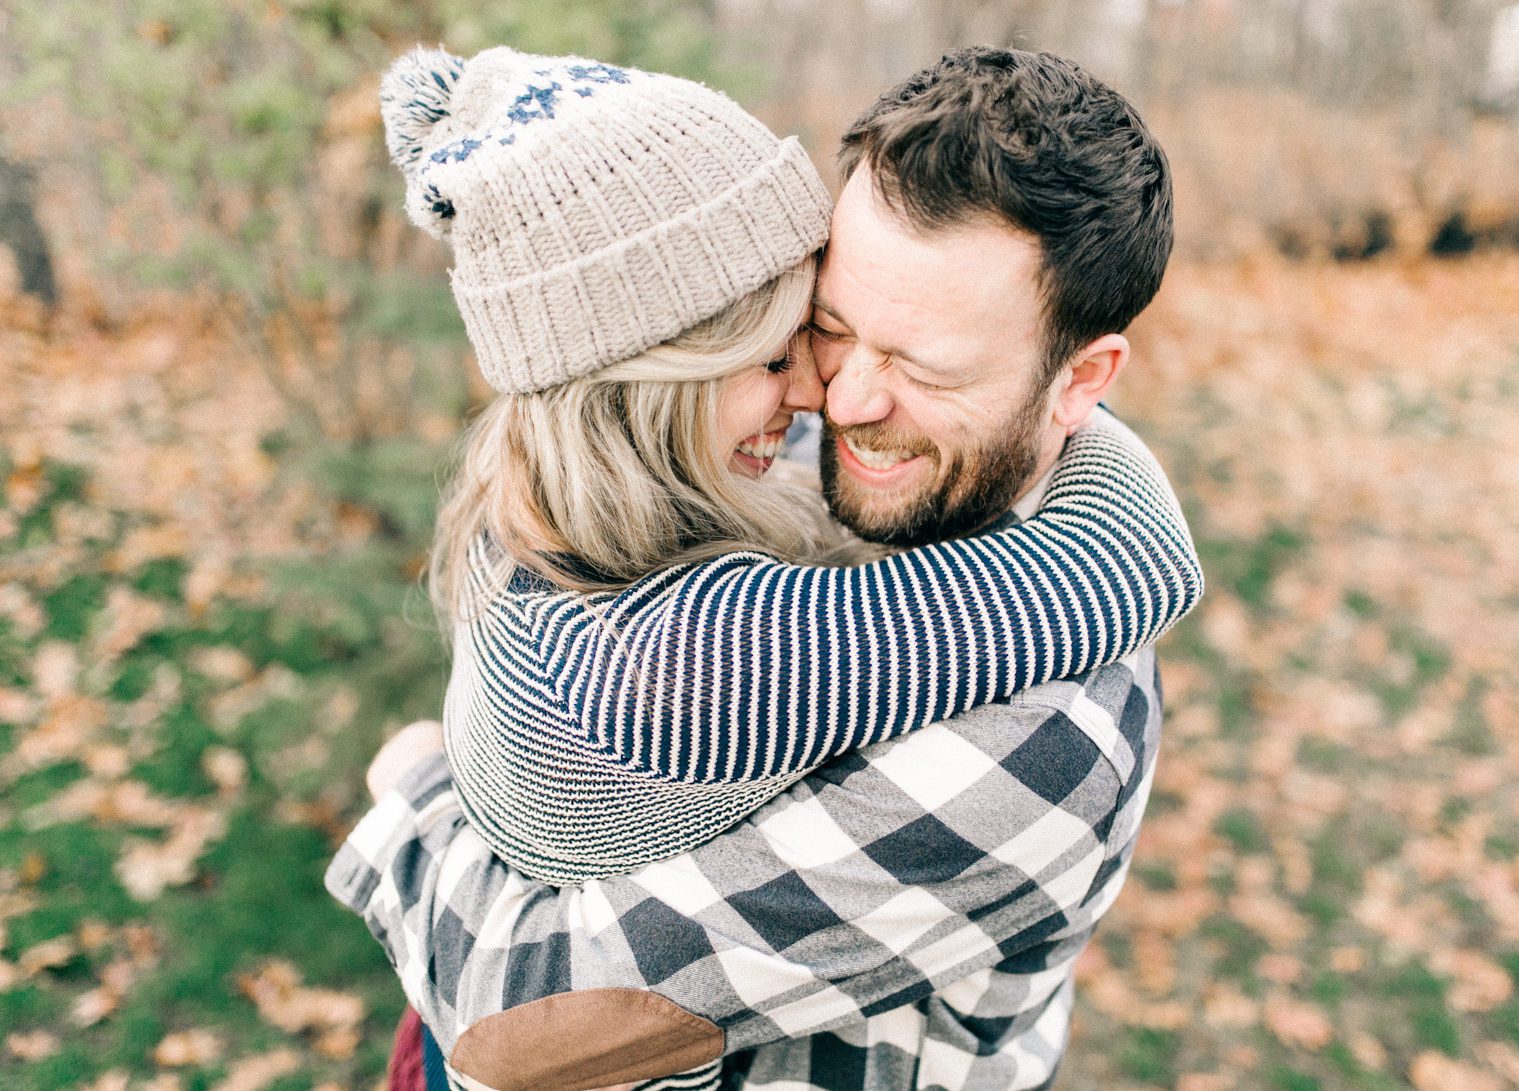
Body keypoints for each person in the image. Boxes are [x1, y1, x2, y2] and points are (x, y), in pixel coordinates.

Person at [330, 45, 1193, 1091]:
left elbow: (518, 1020)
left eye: (922, 367)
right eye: (827, 330)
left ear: (1081, 379)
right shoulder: (727, 497)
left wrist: (414, 785)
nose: (840, 400)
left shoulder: (1047, 745)